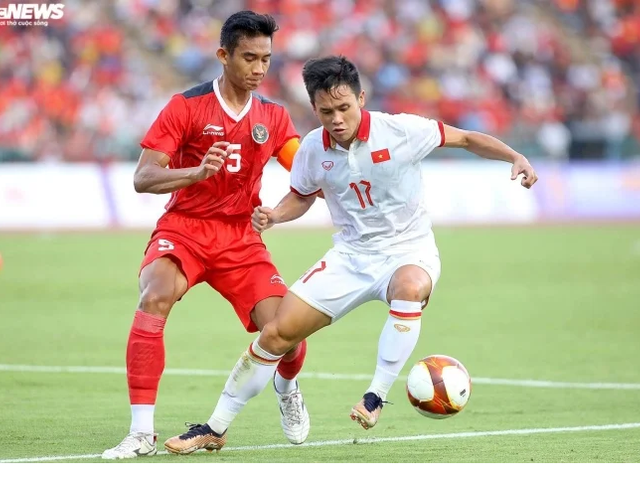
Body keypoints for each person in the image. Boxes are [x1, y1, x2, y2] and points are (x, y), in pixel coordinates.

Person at [163, 55, 538, 454]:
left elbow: (465, 138)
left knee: (409, 287)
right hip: (351, 256)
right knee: (276, 334)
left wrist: (514, 156)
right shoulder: (312, 148)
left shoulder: (401, 130)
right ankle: (215, 427)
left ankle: (375, 395)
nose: (337, 119)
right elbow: (301, 196)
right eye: (326, 112)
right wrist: (275, 215)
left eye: (344, 108)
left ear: (361, 98)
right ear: (315, 108)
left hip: (408, 250)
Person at [102, 11, 311, 460]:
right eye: (249, 58)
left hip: (241, 238)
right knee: (154, 296)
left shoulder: (274, 117)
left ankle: (288, 387)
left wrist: (277, 212)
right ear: (223, 55)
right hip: (186, 230)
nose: (258, 68)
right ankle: (141, 433)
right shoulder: (186, 106)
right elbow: (143, 177)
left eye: (266, 59)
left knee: (288, 330)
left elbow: (307, 173)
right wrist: (195, 172)